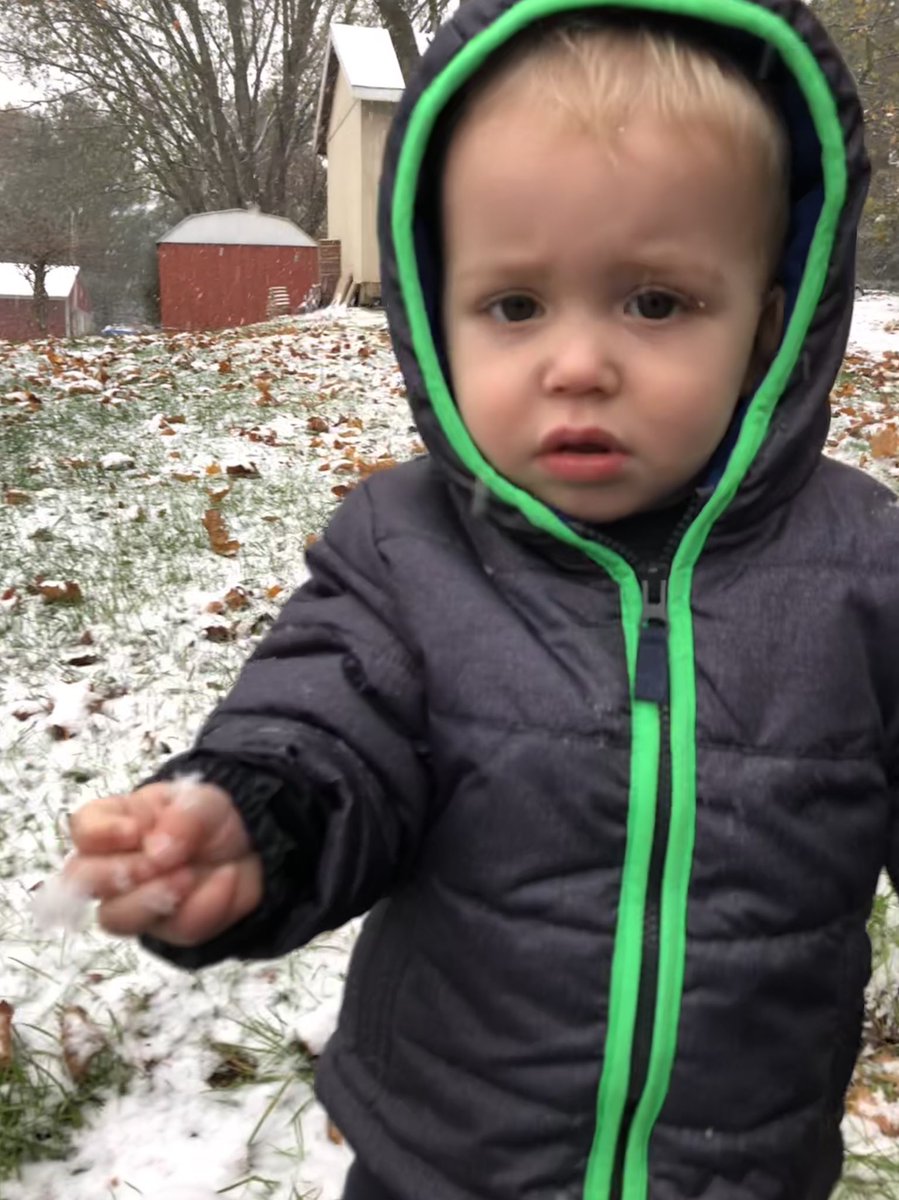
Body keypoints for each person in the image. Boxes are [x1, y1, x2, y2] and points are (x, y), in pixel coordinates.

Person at [63, 1, 899, 1198]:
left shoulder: (864, 569)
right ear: (432, 318)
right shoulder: (405, 556)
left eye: (654, 302)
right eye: (513, 306)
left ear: (766, 326)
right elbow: (322, 728)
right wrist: (250, 820)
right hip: (442, 1164)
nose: (576, 363)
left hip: (742, 1167)